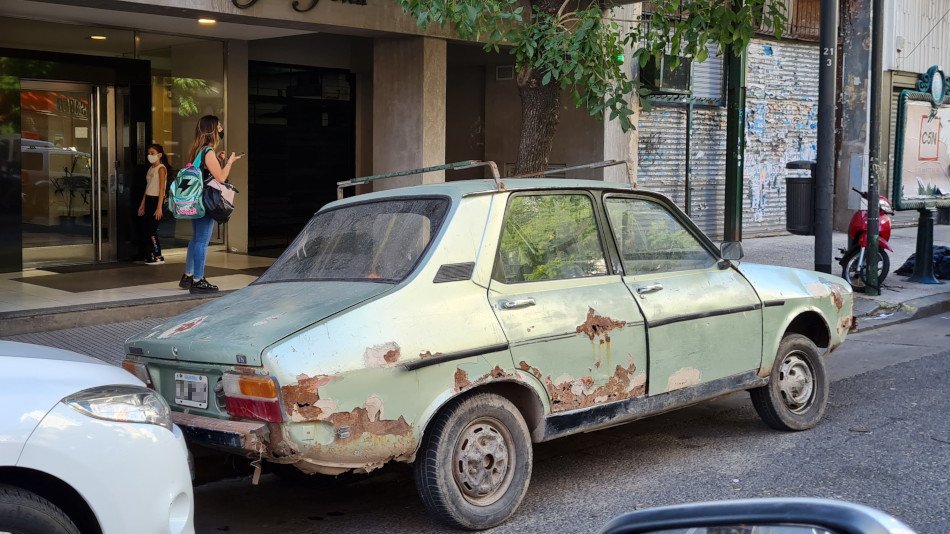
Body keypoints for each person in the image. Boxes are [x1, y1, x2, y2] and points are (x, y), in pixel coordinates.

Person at [179, 115, 242, 294]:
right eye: (219, 126)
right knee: (202, 241)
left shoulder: (197, 150)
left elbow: (204, 172)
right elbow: (220, 178)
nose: (221, 129)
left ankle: (188, 276)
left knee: (195, 239)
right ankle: (198, 280)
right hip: (205, 202)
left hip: (194, 200)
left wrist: (217, 159)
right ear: (212, 130)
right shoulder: (208, 151)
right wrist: (229, 162)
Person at [138, 144, 170, 265]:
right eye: (149, 153)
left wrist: (159, 207)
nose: (149, 155)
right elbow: (148, 187)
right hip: (149, 199)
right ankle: (150, 254)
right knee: (146, 229)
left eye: (152, 153)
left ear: (159, 155)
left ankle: (158, 255)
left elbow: (161, 189)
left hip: (157, 200)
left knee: (152, 230)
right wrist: (143, 204)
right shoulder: (151, 168)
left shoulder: (161, 169)